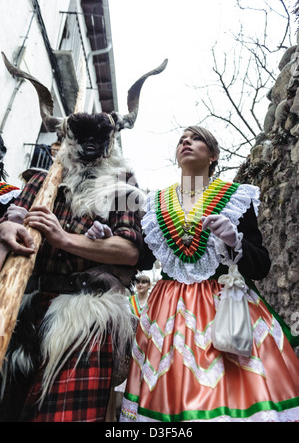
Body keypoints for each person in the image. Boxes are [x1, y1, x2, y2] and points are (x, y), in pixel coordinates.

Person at [120, 125, 299, 423]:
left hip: (227, 310)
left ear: (213, 155)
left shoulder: (235, 197)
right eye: (181, 139)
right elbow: (144, 258)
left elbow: (261, 265)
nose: (186, 142)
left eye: (196, 138)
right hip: (168, 316)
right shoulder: (155, 204)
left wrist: (235, 242)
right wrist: (114, 238)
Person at [0, 114, 151, 423]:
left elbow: (129, 250)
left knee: (64, 416)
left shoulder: (124, 185)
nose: (90, 143)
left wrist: (63, 238)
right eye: (82, 136)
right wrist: (4, 228)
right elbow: (13, 231)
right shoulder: (40, 182)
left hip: (86, 318)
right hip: (23, 312)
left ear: (110, 143)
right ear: (69, 139)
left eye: (99, 137)